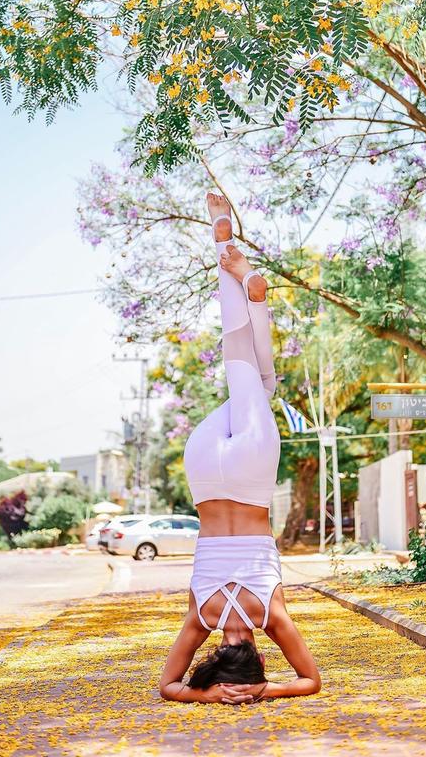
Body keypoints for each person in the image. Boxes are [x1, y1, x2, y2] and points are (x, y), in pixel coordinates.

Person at [159, 193, 321, 705]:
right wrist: (208, 696)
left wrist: (265, 691)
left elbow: (310, 682)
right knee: (248, 378)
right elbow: (167, 688)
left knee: (250, 375)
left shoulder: (270, 614)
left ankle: (242, 275)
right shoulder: (200, 616)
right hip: (205, 468)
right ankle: (237, 271)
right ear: (215, 658)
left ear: (258, 653)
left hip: (250, 472)